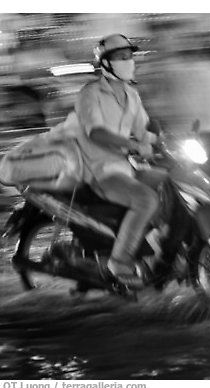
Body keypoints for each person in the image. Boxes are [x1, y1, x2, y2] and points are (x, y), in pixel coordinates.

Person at [74, 34, 167, 288]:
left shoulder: (131, 95)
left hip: (125, 167)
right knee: (146, 199)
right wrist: (133, 145)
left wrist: (163, 139)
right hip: (98, 170)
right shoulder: (90, 93)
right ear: (105, 63)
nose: (129, 62)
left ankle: (159, 254)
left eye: (130, 57)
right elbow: (96, 132)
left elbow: (143, 130)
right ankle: (119, 261)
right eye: (121, 57)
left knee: (168, 184)